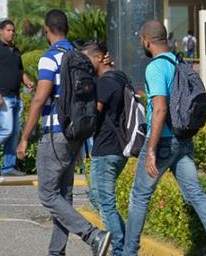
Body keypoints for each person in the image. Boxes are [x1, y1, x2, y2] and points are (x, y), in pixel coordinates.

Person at [123, 21, 206, 256]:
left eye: (141, 41)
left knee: (139, 197)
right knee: (195, 193)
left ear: (146, 41)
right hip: (183, 139)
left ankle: (128, 252)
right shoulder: (179, 62)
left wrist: (151, 150)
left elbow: (161, 109)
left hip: (162, 140)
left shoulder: (155, 67)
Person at [17, 9, 112, 256]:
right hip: (74, 133)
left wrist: (25, 137)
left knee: (48, 195)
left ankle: (93, 235)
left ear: (47, 30)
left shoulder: (49, 58)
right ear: (67, 29)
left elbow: (39, 99)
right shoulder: (79, 57)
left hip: (54, 133)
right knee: (64, 196)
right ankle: (56, 252)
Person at [82, 41, 131, 256]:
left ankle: (120, 249)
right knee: (97, 196)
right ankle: (125, 240)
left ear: (100, 58)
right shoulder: (121, 78)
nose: (85, 64)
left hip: (106, 149)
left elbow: (92, 115)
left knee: (104, 201)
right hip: (120, 148)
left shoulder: (104, 84)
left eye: (88, 60)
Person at [0, 20, 35, 177]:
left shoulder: (15, 51)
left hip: (16, 97)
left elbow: (20, 71)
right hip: (1, 96)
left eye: (13, 31)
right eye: (9, 30)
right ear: (1, 31)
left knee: (14, 132)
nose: (12, 33)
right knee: (7, 130)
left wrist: (27, 81)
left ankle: (8, 167)